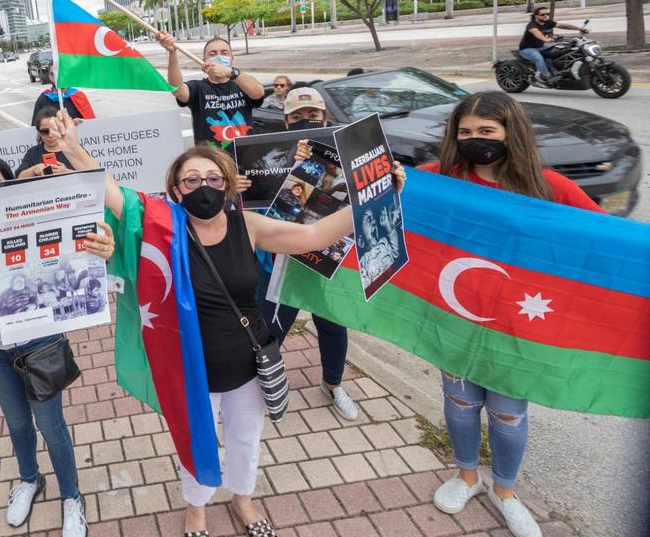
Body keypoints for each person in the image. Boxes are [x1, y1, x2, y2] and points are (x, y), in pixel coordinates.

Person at [52, 111, 404, 537]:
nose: (203, 186)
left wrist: (373, 196)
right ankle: (196, 508)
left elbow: (314, 237)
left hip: (247, 364)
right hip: (191, 369)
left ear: (228, 184)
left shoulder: (248, 226)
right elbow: (114, 193)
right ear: (175, 190)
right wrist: (73, 148)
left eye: (213, 178)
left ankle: (243, 500)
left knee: (245, 439)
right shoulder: (161, 228)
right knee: (195, 440)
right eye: (191, 180)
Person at [420, 92, 600, 537]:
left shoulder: (549, 187)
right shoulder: (440, 178)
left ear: (510, 133)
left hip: (519, 324)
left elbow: (606, 236)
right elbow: (379, 188)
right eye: (465, 132)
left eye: (486, 131)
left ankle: (505, 490)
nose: (475, 140)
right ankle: (467, 476)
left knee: (507, 413)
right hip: (456, 317)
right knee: (460, 403)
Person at [0, 155, 116, 536]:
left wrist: (103, 249)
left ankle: (71, 497)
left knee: (50, 424)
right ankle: (29, 479)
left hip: (39, 343)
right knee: (17, 422)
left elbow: (82, 245)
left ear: (9, 187)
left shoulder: (37, 219)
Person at [261, 87, 361, 420]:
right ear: (286, 121)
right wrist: (291, 165)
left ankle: (333, 384)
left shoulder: (348, 154)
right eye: (297, 116)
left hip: (327, 255)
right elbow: (257, 202)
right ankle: (262, 384)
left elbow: (366, 192)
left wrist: (393, 180)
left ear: (325, 118)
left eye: (312, 115)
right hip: (282, 256)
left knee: (333, 324)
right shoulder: (272, 154)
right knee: (271, 326)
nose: (306, 120)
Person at [157, 33, 266, 148]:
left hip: (245, 156)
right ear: (204, 61)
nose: (219, 57)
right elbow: (177, 90)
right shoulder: (197, 88)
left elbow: (258, 92)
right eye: (212, 54)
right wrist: (172, 53)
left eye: (224, 53)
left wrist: (231, 72)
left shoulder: (242, 84)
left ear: (232, 59)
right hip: (210, 157)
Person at [518, 6, 584, 83]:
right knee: (538, 58)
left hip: (541, 46)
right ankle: (547, 77)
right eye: (542, 14)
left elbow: (563, 25)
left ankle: (559, 70)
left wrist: (579, 29)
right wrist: (545, 39)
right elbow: (537, 33)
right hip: (527, 48)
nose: (546, 16)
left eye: (547, 14)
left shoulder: (548, 22)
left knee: (558, 51)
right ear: (536, 16)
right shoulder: (532, 25)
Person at [17, 107, 77, 178]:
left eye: (54, 129)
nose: (50, 135)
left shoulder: (74, 150)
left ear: (62, 128)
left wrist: (67, 172)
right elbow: (19, 178)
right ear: (39, 132)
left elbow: (87, 175)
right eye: (45, 131)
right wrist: (33, 170)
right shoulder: (33, 153)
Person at [31, 63, 95, 124]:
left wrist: (78, 122)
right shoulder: (43, 99)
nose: (58, 78)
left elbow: (91, 124)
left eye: (61, 73)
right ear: (49, 76)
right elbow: (36, 127)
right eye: (53, 74)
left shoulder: (79, 96)